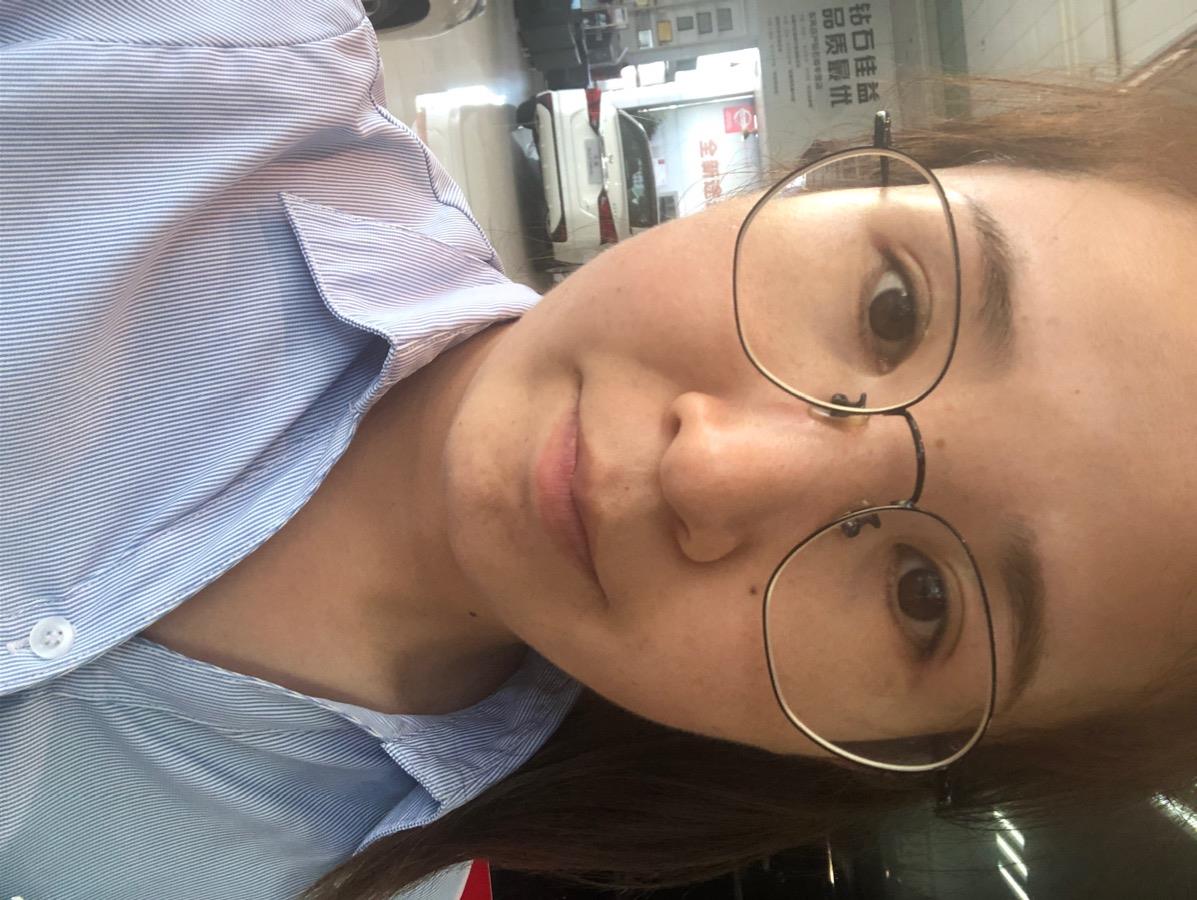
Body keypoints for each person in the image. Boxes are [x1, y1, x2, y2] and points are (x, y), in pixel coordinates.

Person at [1, 2, 1193, 899]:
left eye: (923, 597)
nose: (711, 470)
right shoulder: (174, 49)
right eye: (894, 308)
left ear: (880, 752)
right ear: (816, 176)